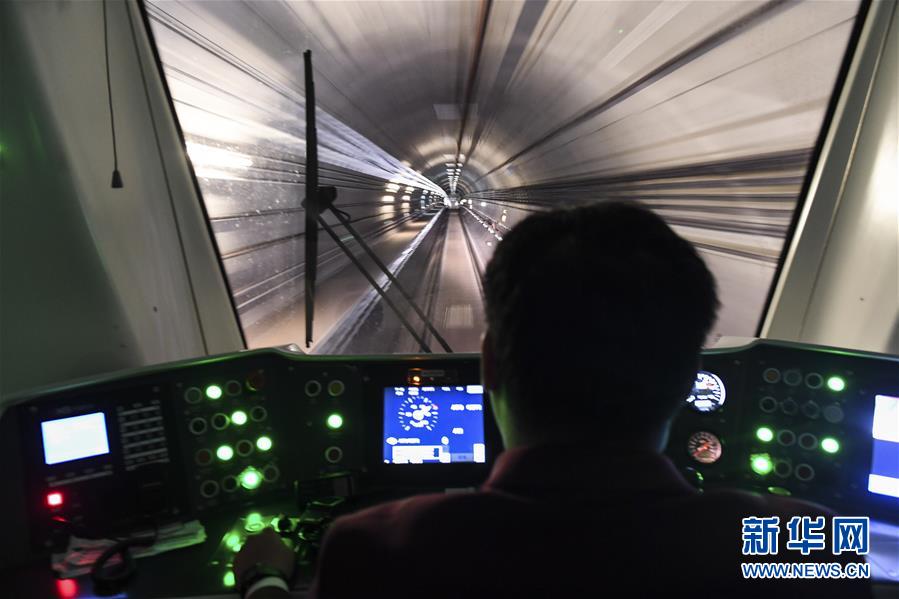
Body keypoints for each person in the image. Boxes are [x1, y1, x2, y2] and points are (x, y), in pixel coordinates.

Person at [234, 202, 871, 598]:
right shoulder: (806, 543)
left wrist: (265, 581)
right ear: (688, 383)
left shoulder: (376, 550)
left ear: (490, 366)